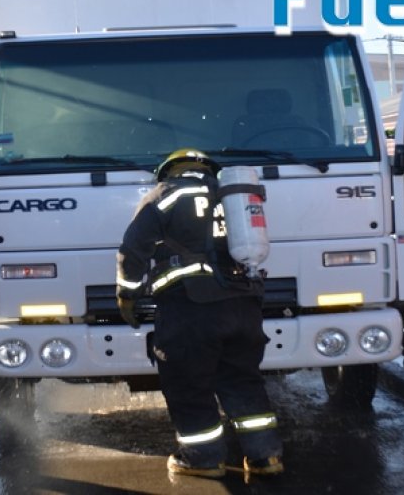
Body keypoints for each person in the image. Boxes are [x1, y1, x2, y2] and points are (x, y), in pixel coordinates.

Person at [115, 148, 283, 479]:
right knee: (243, 381)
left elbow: (133, 250)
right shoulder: (231, 196)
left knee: (188, 384)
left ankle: (202, 458)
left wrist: (127, 295)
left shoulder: (165, 195)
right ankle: (266, 457)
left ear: (169, 172)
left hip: (191, 308)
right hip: (243, 305)